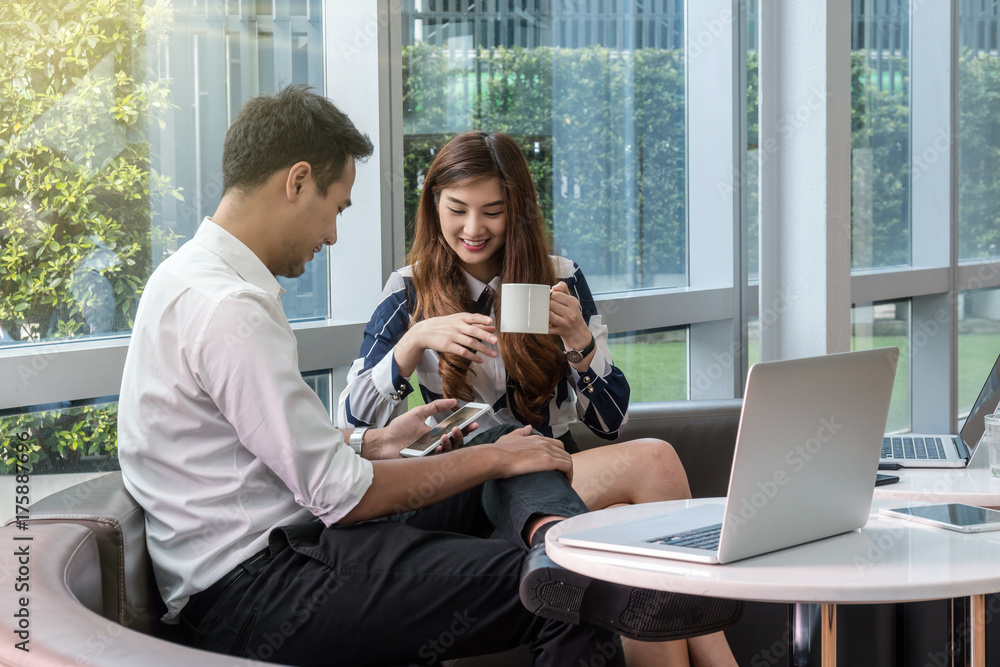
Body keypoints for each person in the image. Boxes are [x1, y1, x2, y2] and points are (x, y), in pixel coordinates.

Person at [116, 85, 719, 667]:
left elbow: (269, 453)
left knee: (479, 433)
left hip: (280, 551)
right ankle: (558, 547)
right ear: (298, 181)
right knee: (563, 581)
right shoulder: (231, 307)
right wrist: (493, 459)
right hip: (261, 584)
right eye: (336, 209)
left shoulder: (191, 279)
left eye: (493, 212)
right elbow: (341, 495)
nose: (332, 234)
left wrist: (372, 442)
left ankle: (549, 530)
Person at [338, 130, 739, 666]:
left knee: (633, 521)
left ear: (518, 211)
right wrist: (413, 344)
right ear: (433, 205)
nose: (473, 229)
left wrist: (579, 343)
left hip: (551, 480)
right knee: (629, 464)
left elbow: (610, 423)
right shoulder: (408, 290)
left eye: (493, 211)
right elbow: (350, 423)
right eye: (457, 209)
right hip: (461, 487)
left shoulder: (560, 278)